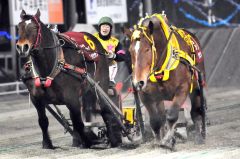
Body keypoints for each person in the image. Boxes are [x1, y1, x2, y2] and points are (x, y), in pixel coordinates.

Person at [94, 16, 127, 88]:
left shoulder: (115, 42)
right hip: (94, 67)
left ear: (110, 28)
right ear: (99, 28)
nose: (105, 28)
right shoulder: (92, 38)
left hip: (108, 68)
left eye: (107, 26)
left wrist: (114, 56)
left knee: (109, 90)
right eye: (103, 26)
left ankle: (110, 83)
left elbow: (123, 56)